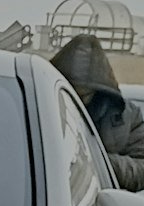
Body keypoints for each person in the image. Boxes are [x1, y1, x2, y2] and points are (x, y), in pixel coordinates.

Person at [51, 34, 144, 190]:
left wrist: (100, 163)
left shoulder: (126, 117)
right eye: (72, 91)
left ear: (98, 91)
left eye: (85, 94)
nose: (78, 99)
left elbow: (141, 167)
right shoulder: (41, 108)